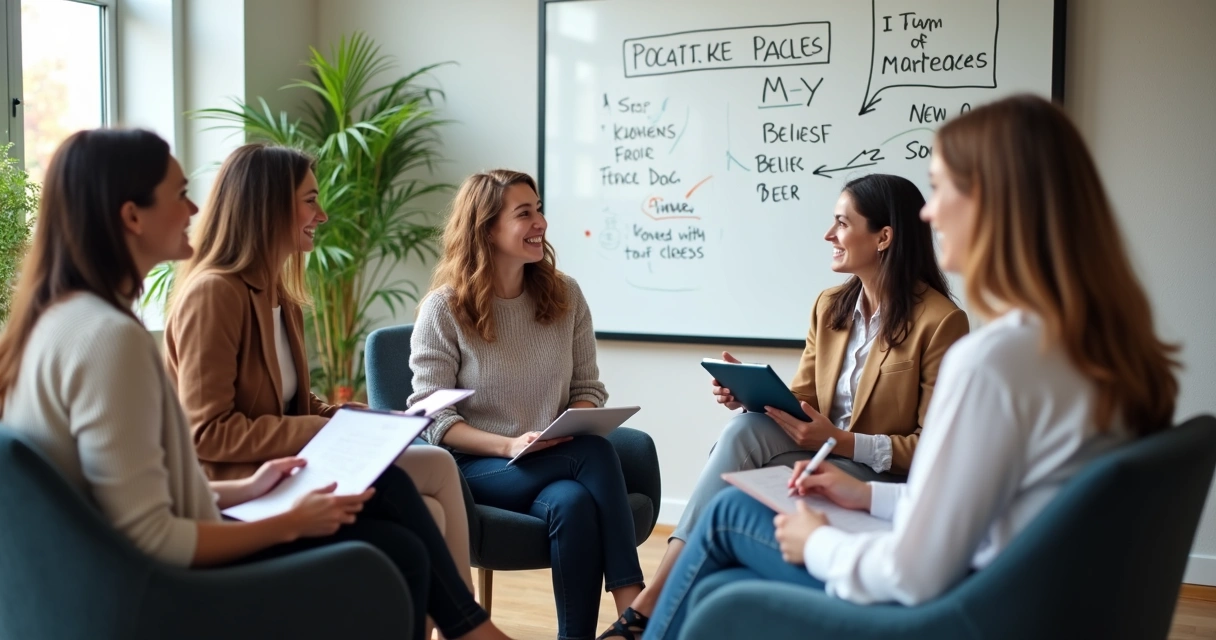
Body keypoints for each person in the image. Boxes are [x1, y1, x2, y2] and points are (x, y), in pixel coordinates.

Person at [641, 94, 1181, 639]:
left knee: (729, 515)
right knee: (713, 585)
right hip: (1025, 598)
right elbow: (983, 507)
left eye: (942, 188)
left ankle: (642, 616)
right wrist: (862, 494)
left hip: (958, 614)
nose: (929, 211)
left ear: (995, 205)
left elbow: (914, 570)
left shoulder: (994, 360)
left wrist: (818, 541)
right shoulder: (1103, 352)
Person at [0, 129, 512, 640]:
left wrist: (249, 485)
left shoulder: (59, 322)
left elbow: (126, 495)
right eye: (179, 195)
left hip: (127, 568)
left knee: (401, 514)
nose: (195, 208)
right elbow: (155, 528)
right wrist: (288, 521)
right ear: (132, 216)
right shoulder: (112, 338)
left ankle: (471, 632)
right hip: (153, 593)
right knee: (399, 543)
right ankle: (475, 632)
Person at [607, 174, 968, 638]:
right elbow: (805, 403)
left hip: (880, 478)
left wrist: (842, 442)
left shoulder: (940, 323)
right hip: (821, 453)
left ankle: (645, 611)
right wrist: (748, 397)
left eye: (841, 223)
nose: (828, 235)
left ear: (883, 237)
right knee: (743, 430)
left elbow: (932, 451)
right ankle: (653, 602)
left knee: (736, 482)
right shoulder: (829, 307)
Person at [162, 143, 475, 601]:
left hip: (287, 466)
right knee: (432, 483)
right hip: (237, 485)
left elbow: (289, 402)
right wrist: (322, 430)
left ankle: (458, 628)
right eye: (310, 200)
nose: (322, 215)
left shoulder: (278, 296)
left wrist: (347, 417)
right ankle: (468, 626)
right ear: (269, 207)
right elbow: (207, 433)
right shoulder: (214, 294)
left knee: (434, 491)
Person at [409, 169, 645, 640]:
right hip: (476, 466)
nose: (540, 222)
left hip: (554, 460)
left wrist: (570, 421)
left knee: (574, 502)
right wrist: (506, 445)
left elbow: (588, 386)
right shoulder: (445, 308)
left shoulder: (565, 295)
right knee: (596, 453)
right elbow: (430, 417)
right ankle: (636, 610)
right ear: (487, 228)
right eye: (524, 213)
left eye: (538, 210)